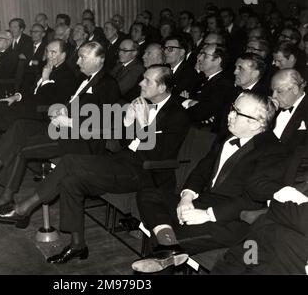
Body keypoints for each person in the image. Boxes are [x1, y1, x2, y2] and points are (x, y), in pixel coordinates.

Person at [0, 66, 190, 266]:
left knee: (71, 161)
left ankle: (23, 209)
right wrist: (128, 123)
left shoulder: (177, 116)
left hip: (144, 172)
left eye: (147, 80)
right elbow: (120, 144)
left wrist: (144, 124)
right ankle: (77, 245)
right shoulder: (138, 103)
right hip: (121, 162)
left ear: (162, 88)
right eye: (142, 78)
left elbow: (157, 154)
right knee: (72, 181)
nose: (140, 83)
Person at [131, 91, 286, 273]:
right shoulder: (227, 135)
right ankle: (168, 243)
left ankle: (167, 247)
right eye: (232, 109)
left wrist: (207, 214)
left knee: (161, 246)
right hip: (202, 201)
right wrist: (186, 197)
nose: (229, 115)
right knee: (148, 194)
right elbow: (202, 170)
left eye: (237, 112)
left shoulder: (273, 151)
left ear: (255, 123)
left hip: (230, 220)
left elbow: (252, 200)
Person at [0, 42, 120, 205]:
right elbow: (68, 102)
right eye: (78, 57)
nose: (78, 62)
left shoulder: (108, 84)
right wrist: (62, 111)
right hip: (61, 126)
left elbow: (104, 124)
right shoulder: (83, 78)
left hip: (81, 139)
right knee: (20, 126)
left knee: (21, 144)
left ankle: (6, 196)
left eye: (82, 58)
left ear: (99, 59)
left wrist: (69, 121)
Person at [212, 135, 308, 275]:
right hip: (261, 235)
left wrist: (282, 200)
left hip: (290, 251)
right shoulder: (301, 152)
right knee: (229, 266)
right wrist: (285, 195)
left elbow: (302, 219)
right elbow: (257, 184)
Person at [271, 69, 307, 153]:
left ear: (295, 89)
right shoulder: (274, 107)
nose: (273, 96)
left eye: (279, 91)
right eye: (273, 91)